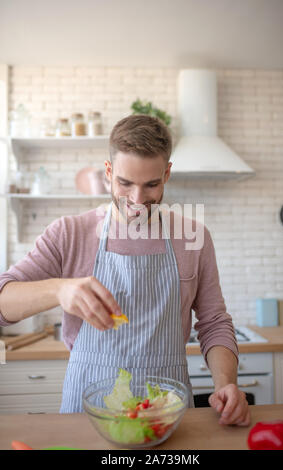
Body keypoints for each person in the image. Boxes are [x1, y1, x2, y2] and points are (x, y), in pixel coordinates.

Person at [0, 115, 250, 426]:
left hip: (166, 412)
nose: (137, 200)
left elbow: (213, 322)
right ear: (108, 172)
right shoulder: (69, 233)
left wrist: (226, 383)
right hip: (86, 413)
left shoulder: (193, 238)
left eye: (151, 185)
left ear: (167, 173)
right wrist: (59, 289)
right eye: (125, 183)